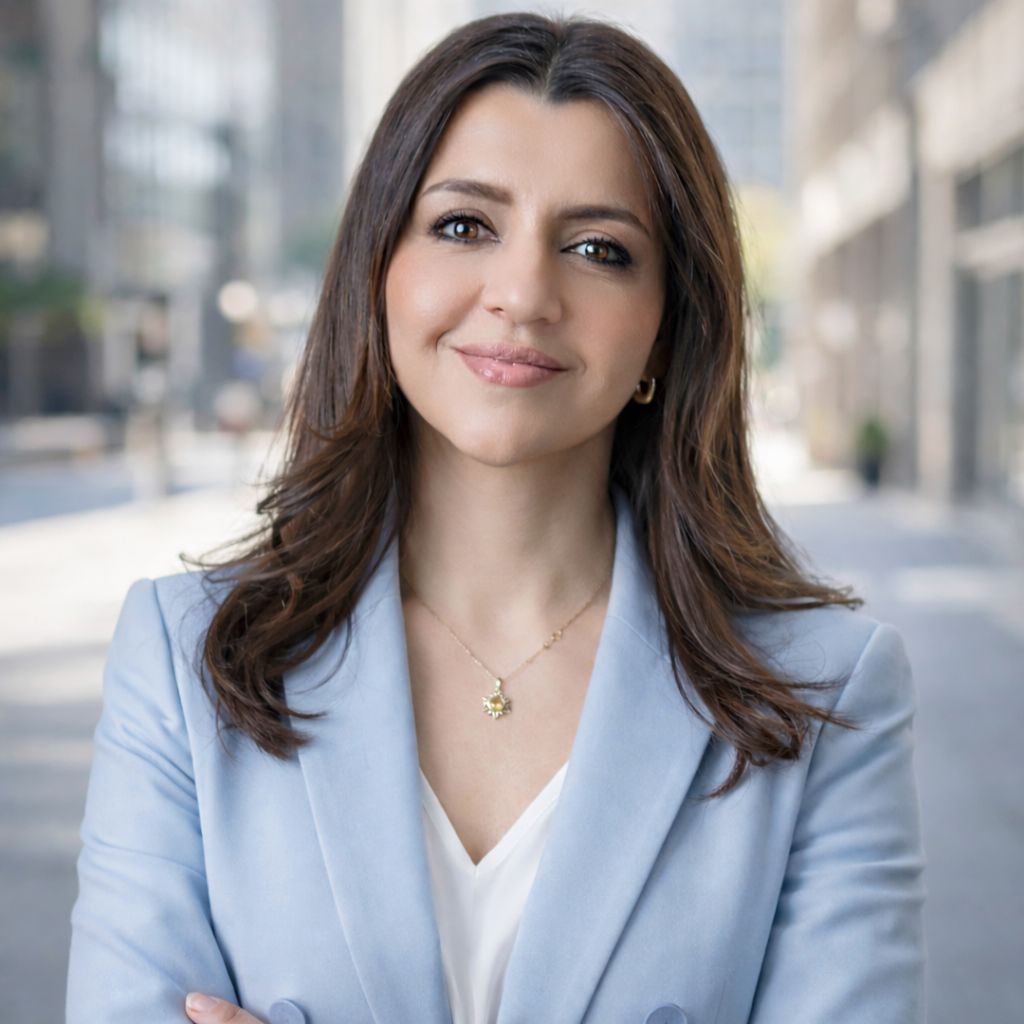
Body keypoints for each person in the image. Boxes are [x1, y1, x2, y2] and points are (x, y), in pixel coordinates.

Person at [67, 14, 925, 1024]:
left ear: (668, 322)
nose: (522, 294)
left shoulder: (827, 694)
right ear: (379, 266)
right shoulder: (184, 659)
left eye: (599, 248)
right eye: (465, 226)